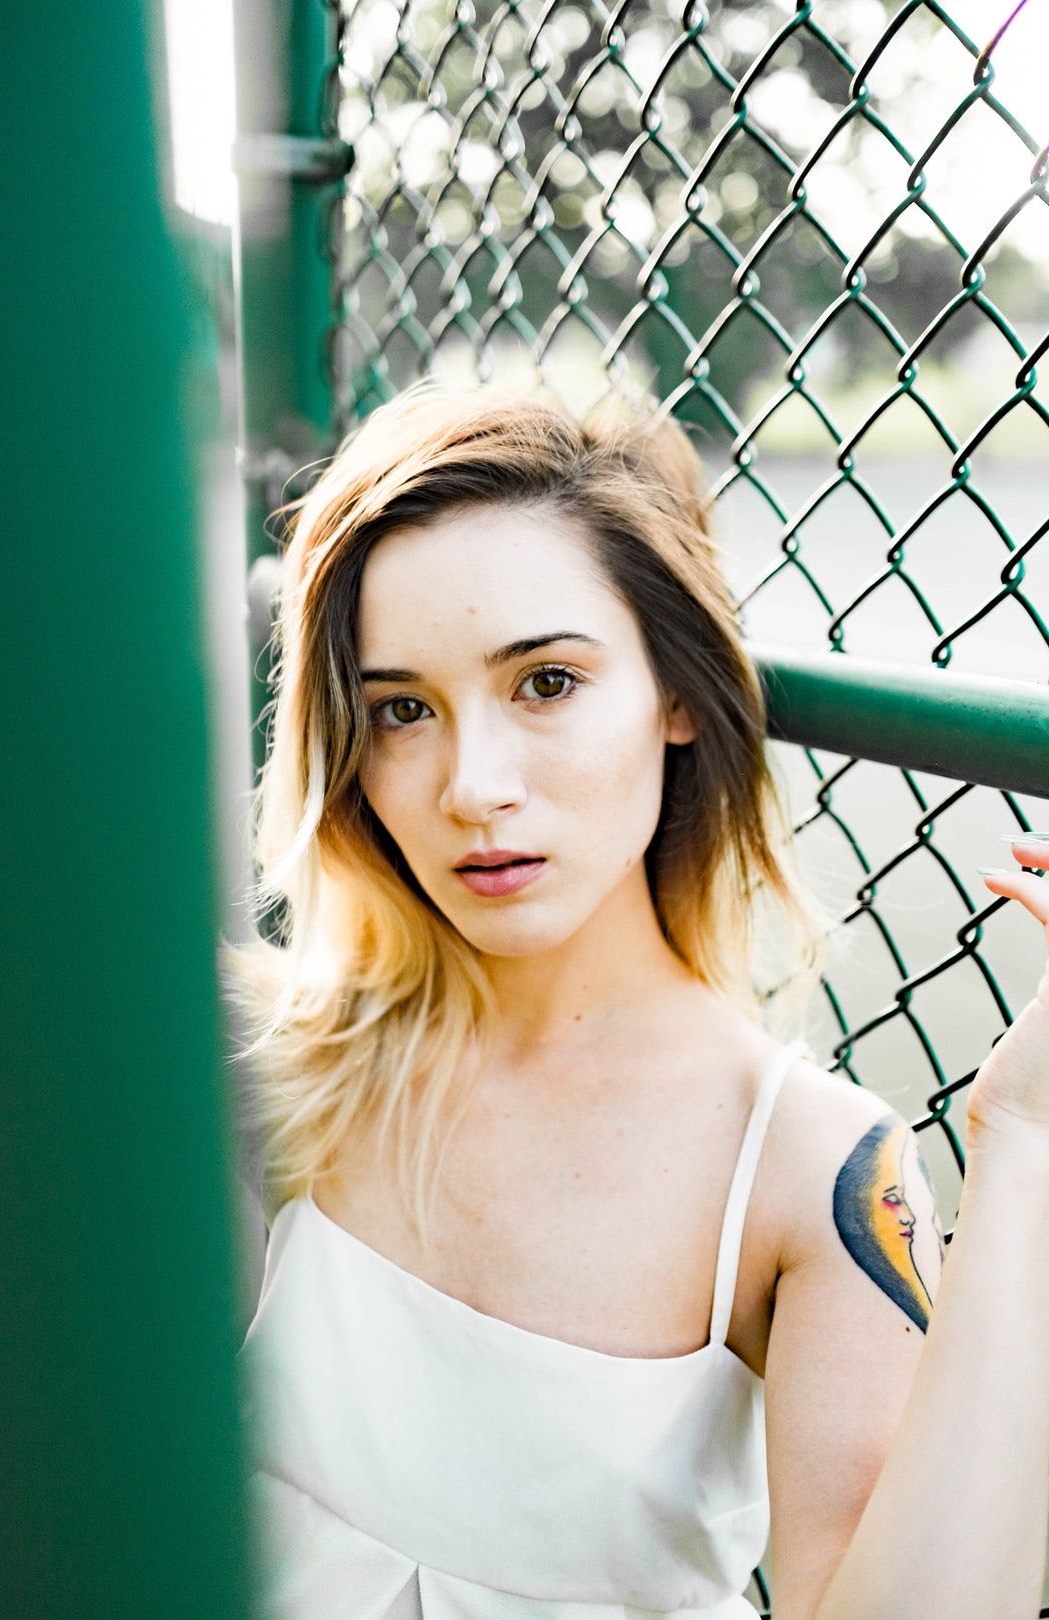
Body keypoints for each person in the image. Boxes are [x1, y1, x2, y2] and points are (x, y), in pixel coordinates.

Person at [233, 385, 1049, 1620]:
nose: (474, 787)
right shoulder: (283, 1056)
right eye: (403, 709)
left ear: (676, 693)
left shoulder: (803, 1172)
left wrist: (1030, 1136)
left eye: (546, 683)